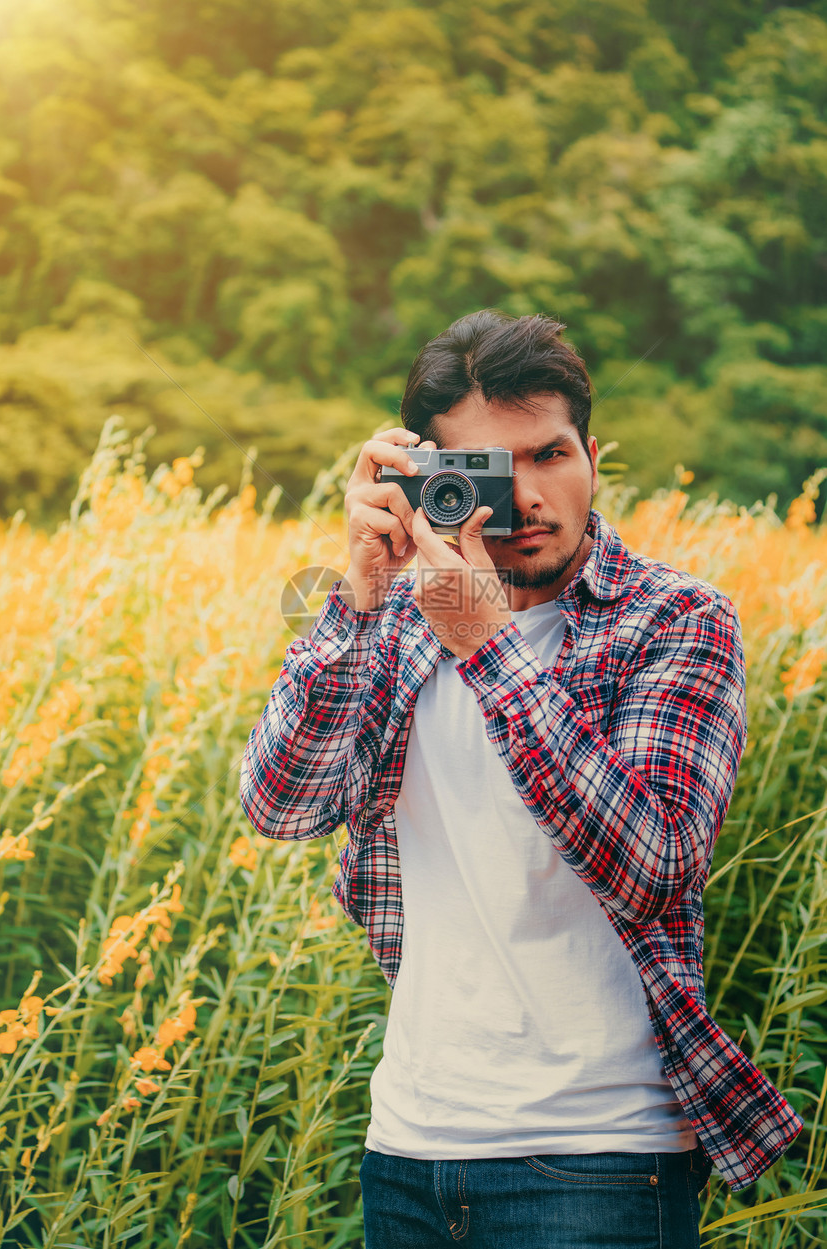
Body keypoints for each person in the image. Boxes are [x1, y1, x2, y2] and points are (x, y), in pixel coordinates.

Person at [240, 311, 802, 1249]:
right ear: (425, 484)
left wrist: (486, 643)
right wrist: (359, 591)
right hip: (411, 1146)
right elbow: (281, 803)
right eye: (490, 472)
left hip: (601, 1155)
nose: (531, 497)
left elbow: (656, 864)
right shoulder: (398, 621)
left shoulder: (675, 620)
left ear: (592, 450)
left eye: (550, 453)